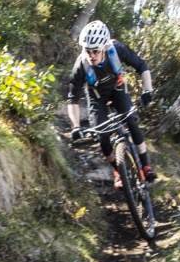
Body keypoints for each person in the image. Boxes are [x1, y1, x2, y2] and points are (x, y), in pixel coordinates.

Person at [65, 19, 156, 186]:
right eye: (87, 51)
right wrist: (75, 126)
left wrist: (147, 91)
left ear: (104, 48)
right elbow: (73, 99)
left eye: (95, 51)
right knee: (102, 138)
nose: (91, 55)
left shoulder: (116, 49)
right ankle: (118, 170)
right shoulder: (81, 64)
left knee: (132, 123)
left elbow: (142, 66)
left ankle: (145, 166)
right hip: (97, 97)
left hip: (118, 90)